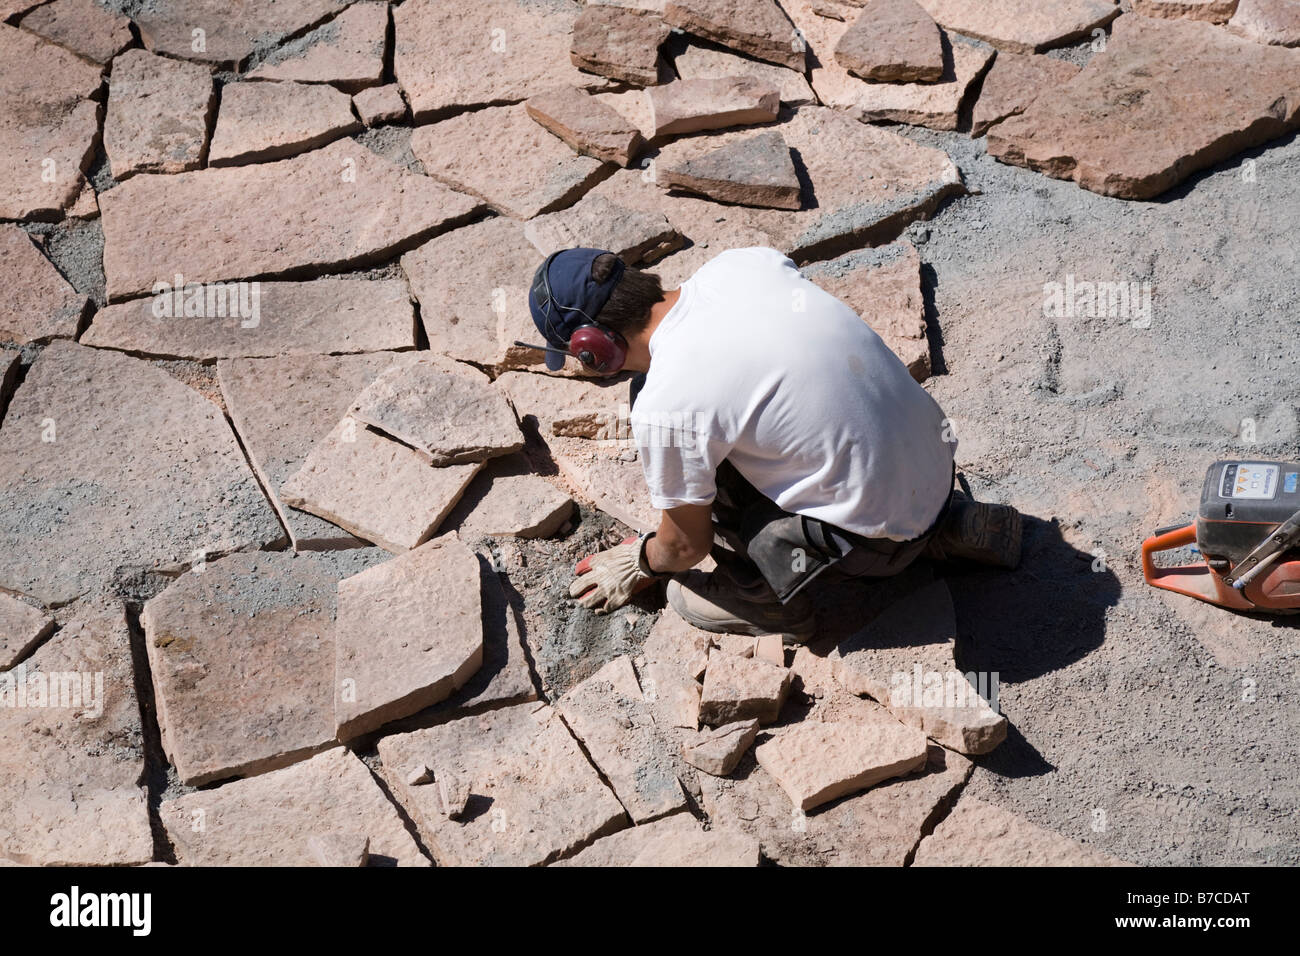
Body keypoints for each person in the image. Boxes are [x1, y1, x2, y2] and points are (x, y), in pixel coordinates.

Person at [524, 245, 1021, 642]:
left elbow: (686, 546)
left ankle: (770, 603)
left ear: (595, 348)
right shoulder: (743, 263)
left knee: (696, 468)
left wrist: (643, 560)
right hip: (937, 465)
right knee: (763, 418)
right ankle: (946, 526)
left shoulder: (668, 403)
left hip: (878, 547)